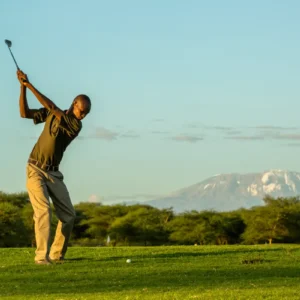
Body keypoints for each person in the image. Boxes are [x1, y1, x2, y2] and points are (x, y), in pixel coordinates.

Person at [17, 70, 91, 265]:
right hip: (35, 169)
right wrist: (22, 88)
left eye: (85, 114)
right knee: (43, 211)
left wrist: (29, 84)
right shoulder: (52, 113)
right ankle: (42, 257)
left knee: (69, 215)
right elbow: (24, 113)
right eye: (81, 111)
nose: (82, 116)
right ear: (74, 104)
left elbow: (51, 106)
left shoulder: (75, 125)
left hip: (53, 173)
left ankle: (57, 254)